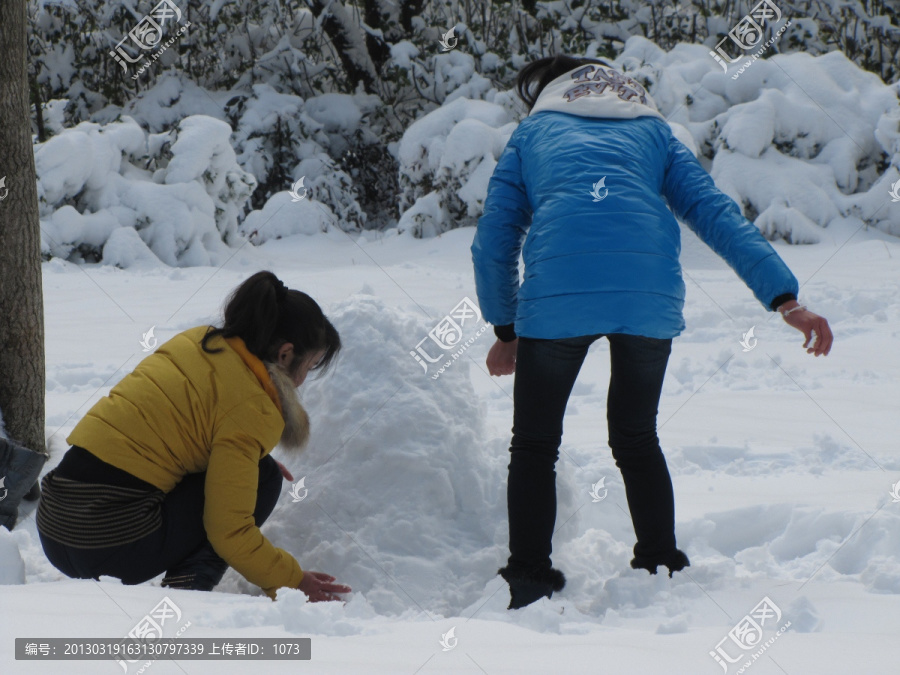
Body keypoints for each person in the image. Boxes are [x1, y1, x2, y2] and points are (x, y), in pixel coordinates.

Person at [471, 55, 834, 610]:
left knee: (536, 444)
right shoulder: (653, 134)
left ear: (549, 92)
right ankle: (660, 562)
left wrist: (506, 326)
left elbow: (494, 238)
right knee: (636, 437)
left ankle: (529, 578)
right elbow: (716, 213)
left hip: (558, 296)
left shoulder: (533, 134)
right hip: (648, 295)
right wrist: (784, 298)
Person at [37, 271, 352, 602]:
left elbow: (179, 428)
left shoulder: (199, 342)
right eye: (311, 366)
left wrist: (244, 455)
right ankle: (191, 588)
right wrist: (292, 581)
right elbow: (229, 532)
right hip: (106, 545)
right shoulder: (254, 407)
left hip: (56, 526)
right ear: (286, 354)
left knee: (252, 471)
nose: (303, 380)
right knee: (264, 479)